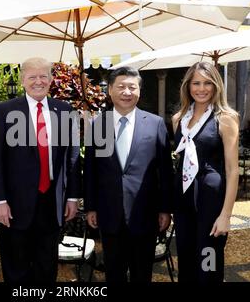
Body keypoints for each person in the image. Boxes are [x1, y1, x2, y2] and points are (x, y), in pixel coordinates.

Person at [0, 57, 81, 283]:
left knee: (46, 266)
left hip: (51, 202)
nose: (38, 81)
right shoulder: (5, 110)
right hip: (13, 205)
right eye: (32, 77)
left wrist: (72, 196)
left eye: (43, 76)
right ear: (22, 80)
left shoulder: (65, 110)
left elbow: (73, 158)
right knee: (15, 267)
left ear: (50, 79)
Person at [84, 66, 174, 283]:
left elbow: (165, 170)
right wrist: (91, 207)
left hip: (145, 213)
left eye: (132, 87)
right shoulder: (97, 125)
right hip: (109, 213)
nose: (126, 92)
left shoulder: (155, 124)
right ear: (110, 91)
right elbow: (90, 170)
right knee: (113, 273)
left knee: (142, 273)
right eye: (121, 87)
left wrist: (165, 208)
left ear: (139, 91)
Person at [172, 61, 239, 283]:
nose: (202, 89)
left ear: (216, 85)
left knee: (207, 264)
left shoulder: (226, 118)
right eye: (196, 83)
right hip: (183, 203)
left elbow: (232, 170)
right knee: (187, 261)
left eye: (207, 83)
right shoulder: (178, 119)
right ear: (188, 86)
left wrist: (225, 215)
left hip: (211, 202)